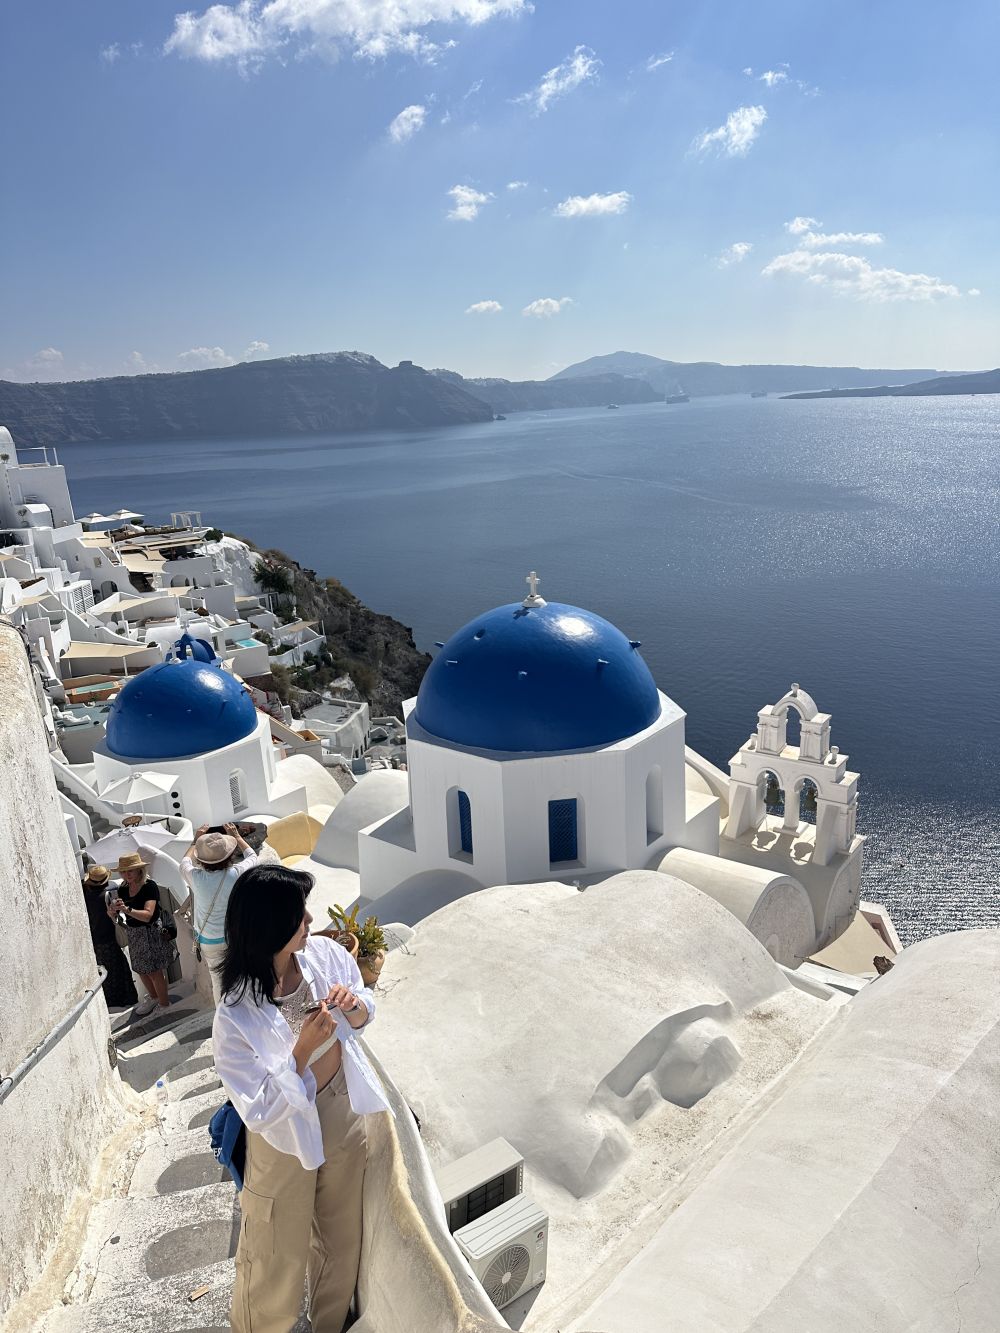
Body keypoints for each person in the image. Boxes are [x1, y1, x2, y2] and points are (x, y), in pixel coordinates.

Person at [213, 865, 391, 1333]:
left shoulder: (323, 955)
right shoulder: (235, 1014)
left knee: (340, 1237)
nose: (310, 921)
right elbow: (258, 1106)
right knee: (275, 1250)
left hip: (340, 1110)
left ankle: (327, 1324)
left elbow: (364, 1008)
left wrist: (354, 1006)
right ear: (270, 926)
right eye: (299, 914)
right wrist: (302, 1051)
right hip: (282, 1136)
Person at [180, 822, 257, 1004]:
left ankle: (223, 1017)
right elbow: (252, 856)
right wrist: (236, 836)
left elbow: (184, 863)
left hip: (208, 940)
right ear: (229, 856)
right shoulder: (236, 873)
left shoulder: (196, 878)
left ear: (202, 859)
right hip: (234, 936)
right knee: (243, 978)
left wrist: (196, 840)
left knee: (218, 983)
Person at [112, 851, 173, 1016]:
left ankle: (164, 1004)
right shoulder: (123, 888)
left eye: (130, 870)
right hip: (134, 933)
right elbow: (122, 913)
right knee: (140, 969)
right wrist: (113, 912)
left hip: (149, 932)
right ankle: (154, 998)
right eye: (123, 871)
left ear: (139, 869)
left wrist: (127, 909)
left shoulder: (149, 886)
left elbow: (148, 915)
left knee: (154, 971)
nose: (127, 874)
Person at [82, 864, 138, 1009]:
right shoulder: (110, 890)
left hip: (95, 939)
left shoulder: (85, 894)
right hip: (110, 936)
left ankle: (111, 1003)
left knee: (104, 974)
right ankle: (127, 1001)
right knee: (120, 970)